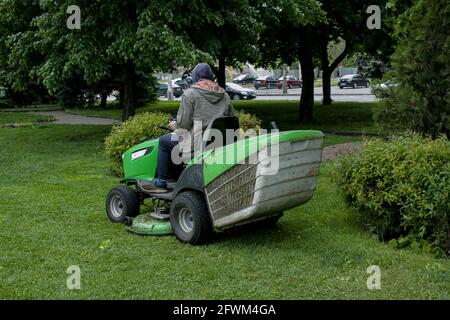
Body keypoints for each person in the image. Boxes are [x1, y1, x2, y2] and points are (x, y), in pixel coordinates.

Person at [142, 63, 235, 193]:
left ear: (195, 77)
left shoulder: (190, 94)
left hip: (196, 144)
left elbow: (182, 126)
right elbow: (232, 119)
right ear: (211, 77)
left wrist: (173, 124)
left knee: (164, 142)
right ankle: (179, 178)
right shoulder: (224, 95)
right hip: (220, 143)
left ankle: (161, 182)